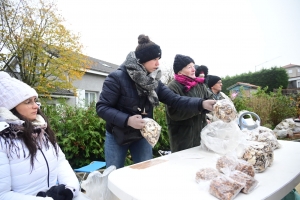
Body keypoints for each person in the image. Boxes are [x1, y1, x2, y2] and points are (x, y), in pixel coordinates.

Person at [95, 34, 216, 169]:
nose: (158, 64)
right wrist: (128, 120)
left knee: (145, 172)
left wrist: (201, 104)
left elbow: (175, 100)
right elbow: (102, 107)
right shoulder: (116, 78)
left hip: (142, 134)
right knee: (113, 174)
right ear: (142, 59)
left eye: (158, 59)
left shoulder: (154, 82)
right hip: (117, 135)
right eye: (154, 59)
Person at [0, 71, 88, 200]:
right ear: (10, 108)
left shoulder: (41, 131)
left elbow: (60, 162)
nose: (36, 106)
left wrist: (70, 189)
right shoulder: (3, 142)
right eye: (28, 102)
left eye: (35, 100)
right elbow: (2, 194)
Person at [165, 54, 214, 153]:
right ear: (179, 71)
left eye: (193, 66)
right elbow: (174, 113)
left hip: (201, 135)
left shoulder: (199, 84)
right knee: (184, 166)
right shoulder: (173, 87)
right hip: (183, 139)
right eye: (189, 67)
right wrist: (200, 107)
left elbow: (210, 98)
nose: (193, 69)